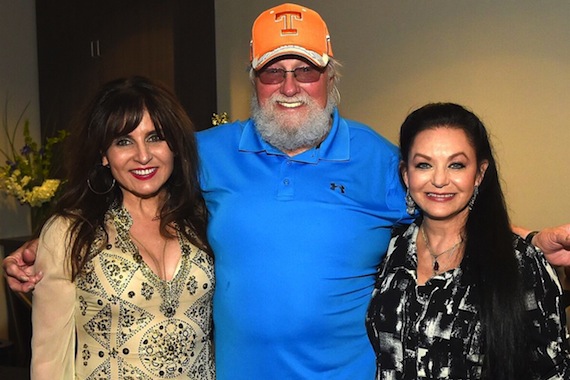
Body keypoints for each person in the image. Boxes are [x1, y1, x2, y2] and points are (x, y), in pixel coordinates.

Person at [4, 3, 570, 379]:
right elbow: (132, 182)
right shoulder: (203, 152)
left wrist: (527, 241)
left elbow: (444, 208)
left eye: (308, 71)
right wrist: (49, 248)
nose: (291, 87)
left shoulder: (380, 159)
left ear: (332, 77)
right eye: (274, 73)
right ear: (254, 80)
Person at [366, 103, 570, 379]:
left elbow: (553, 371)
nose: (439, 180)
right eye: (424, 164)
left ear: (479, 174)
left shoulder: (521, 262)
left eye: (456, 165)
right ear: (406, 174)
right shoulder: (387, 250)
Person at [29, 76, 215, 379]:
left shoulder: (202, 219)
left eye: (155, 137)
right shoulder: (70, 232)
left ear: (175, 147)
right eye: (123, 141)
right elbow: (49, 361)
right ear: (103, 154)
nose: (143, 155)